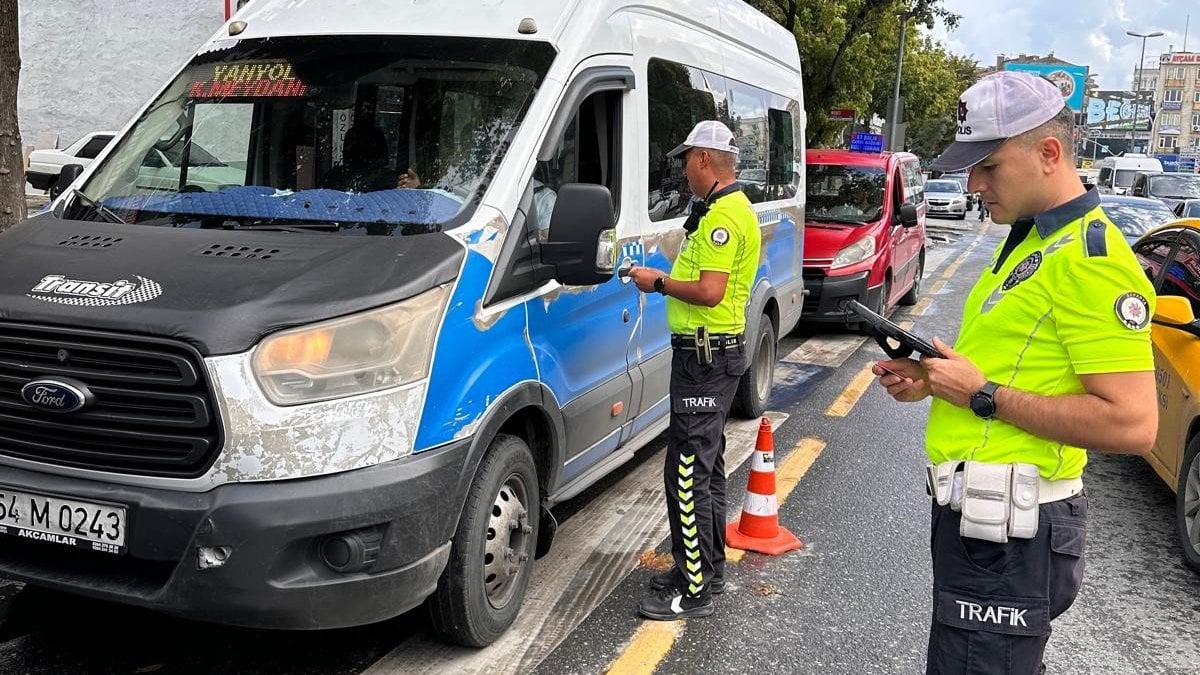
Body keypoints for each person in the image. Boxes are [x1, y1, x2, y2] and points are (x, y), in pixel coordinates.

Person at [872, 71, 1157, 673]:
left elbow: (1133, 424)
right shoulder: (1032, 241)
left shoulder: (1091, 259)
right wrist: (932, 380)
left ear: (1048, 153)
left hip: (1009, 531)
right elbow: (1020, 366)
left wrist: (982, 395)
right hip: (986, 523)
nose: (973, 184)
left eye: (989, 166)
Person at [627, 121, 761, 620]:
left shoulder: (725, 216)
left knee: (685, 472)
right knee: (707, 467)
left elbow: (709, 291)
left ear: (705, 160)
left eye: (687, 160)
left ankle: (695, 590)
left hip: (706, 358)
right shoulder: (713, 213)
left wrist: (658, 283)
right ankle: (705, 568)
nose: (683, 170)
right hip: (707, 355)